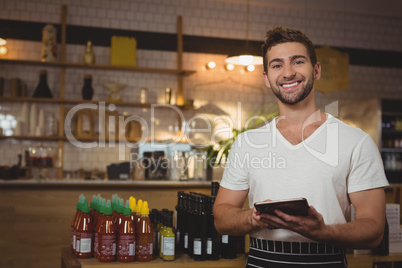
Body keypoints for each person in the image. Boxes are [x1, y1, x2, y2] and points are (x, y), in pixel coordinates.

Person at [213, 26, 389, 267]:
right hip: (261, 260)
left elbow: (374, 230)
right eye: (277, 65)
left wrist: (324, 231)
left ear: (316, 70)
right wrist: (252, 218)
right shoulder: (246, 144)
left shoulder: (356, 142)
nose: (288, 73)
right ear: (266, 78)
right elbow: (222, 217)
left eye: (297, 62)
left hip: (328, 260)